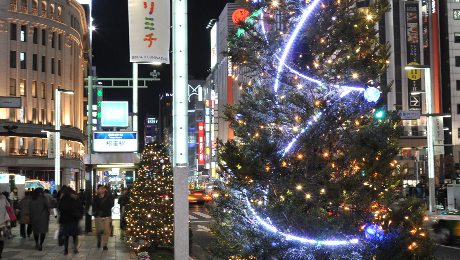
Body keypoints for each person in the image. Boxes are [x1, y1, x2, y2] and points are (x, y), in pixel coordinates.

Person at [59, 188, 82, 255]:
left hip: (65, 220)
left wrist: (60, 221)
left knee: (66, 235)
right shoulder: (74, 200)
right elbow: (79, 208)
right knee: (74, 235)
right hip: (74, 219)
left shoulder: (63, 200)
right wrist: (79, 217)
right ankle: (75, 248)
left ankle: (66, 249)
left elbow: (61, 211)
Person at [92, 185, 114, 250]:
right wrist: (96, 215)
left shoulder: (108, 197)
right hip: (99, 216)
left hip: (107, 216)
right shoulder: (96, 198)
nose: (101, 190)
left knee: (106, 231)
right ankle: (99, 241)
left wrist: (110, 216)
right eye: (100, 189)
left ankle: (105, 244)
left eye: (102, 188)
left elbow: (111, 206)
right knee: (99, 230)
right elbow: (94, 206)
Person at [0, 191, 12, 259]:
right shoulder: (4, 199)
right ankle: (0, 253)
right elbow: (9, 207)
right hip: (3, 222)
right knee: (1, 239)